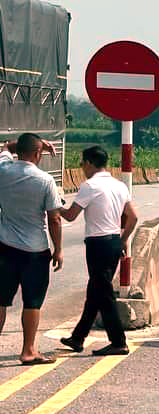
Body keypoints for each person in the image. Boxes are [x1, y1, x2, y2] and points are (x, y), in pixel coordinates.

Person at [58, 146, 138, 356]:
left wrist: (53, 204)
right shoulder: (119, 185)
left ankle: (118, 341)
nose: (82, 168)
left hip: (98, 244)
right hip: (113, 242)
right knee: (95, 292)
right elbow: (133, 217)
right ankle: (78, 337)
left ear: (90, 163)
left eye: (82, 163)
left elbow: (70, 216)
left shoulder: (89, 186)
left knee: (104, 294)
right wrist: (122, 241)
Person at [0, 133, 62, 365]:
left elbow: (6, 145)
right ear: (38, 154)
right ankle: (28, 350)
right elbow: (54, 219)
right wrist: (59, 249)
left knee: (1, 300)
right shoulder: (45, 180)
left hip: (5, 247)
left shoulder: (3, 169)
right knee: (32, 302)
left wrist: (37, 144)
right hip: (35, 251)